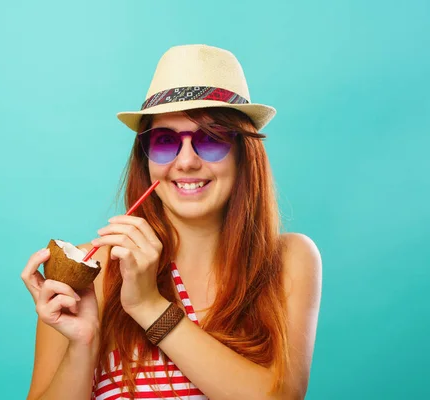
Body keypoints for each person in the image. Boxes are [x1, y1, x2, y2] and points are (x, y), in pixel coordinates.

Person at [21, 44, 322, 400]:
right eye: (165, 142)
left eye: (211, 139)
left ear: (245, 154)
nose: (186, 162)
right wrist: (82, 343)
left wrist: (149, 306)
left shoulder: (287, 260)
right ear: (144, 158)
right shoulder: (92, 272)